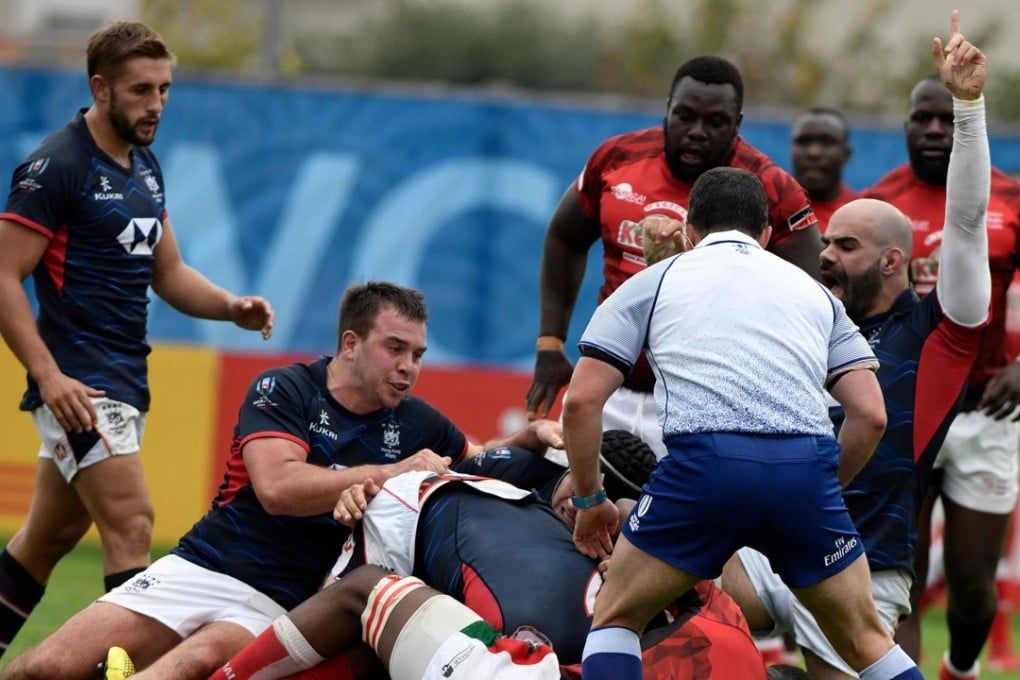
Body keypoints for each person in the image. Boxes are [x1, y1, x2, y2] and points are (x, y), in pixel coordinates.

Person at [0, 281, 563, 680]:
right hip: (207, 564)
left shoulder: (418, 420)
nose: (408, 367)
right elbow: (278, 488)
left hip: (288, 600)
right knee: (44, 667)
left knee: (188, 665)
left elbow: (474, 461)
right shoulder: (285, 390)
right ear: (350, 344)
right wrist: (392, 471)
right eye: (394, 349)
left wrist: (531, 440)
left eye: (417, 354)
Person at [562, 162, 926, 679]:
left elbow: (579, 403)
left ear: (689, 230)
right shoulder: (815, 294)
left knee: (617, 616)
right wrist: (820, 487)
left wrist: (590, 499)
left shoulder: (653, 280)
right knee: (866, 641)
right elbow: (870, 416)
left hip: (706, 469)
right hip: (804, 472)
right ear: (767, 233)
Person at [723, 11, 991, 679]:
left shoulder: (940, 334)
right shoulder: (812, 323)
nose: (826, 256)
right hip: (769, 546)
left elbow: (965, 222)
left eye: (846, 246)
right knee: (653, 577)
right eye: (826, 243)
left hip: (863, 562)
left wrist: (968, 106)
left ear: (895, 261)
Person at [0, 21, 275, 660]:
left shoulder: (143, 168)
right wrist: (48, 376)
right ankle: (144, 674)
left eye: (164, 90)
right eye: (140, 91)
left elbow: (170, 273)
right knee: (133, 526)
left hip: (124, 380)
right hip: (81, 384)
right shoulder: (55, 166)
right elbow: (4, 277)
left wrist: (230, 306)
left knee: (47, 538)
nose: (155, 104)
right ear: (100, 88)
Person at [210, 437, 767, 680]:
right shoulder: (727, 622)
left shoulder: (715, 616)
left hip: (530, 651)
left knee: (367, 602)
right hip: (443, 553)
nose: (577, 512)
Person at [526, 54, 823, 460]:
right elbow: (564, 238)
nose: (696, 132)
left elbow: (810, 293)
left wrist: (695, 264)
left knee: (677, 524)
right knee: (569, 508)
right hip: (606, 391)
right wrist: (549, 342)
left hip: (703, 407)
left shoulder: (769, 188)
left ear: (737, 123)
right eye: (684, 116)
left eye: (715, 123)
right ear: (668, 108)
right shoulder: (616, 159)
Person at [859, 20, 1020, 680]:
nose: (931, 129)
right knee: (899, 566)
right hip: (909, 410)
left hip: (989, 412)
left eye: (942, 118)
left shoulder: (1008, 198)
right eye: (919, 118)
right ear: (904, 127)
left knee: (975, 584)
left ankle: (959, 665)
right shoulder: (878, 205)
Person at [790, 106, 856, 231]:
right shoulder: (768, 210)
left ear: (846, 154)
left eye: (826, 143)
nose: (813, 152)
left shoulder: (860, 215)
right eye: (803, 142)